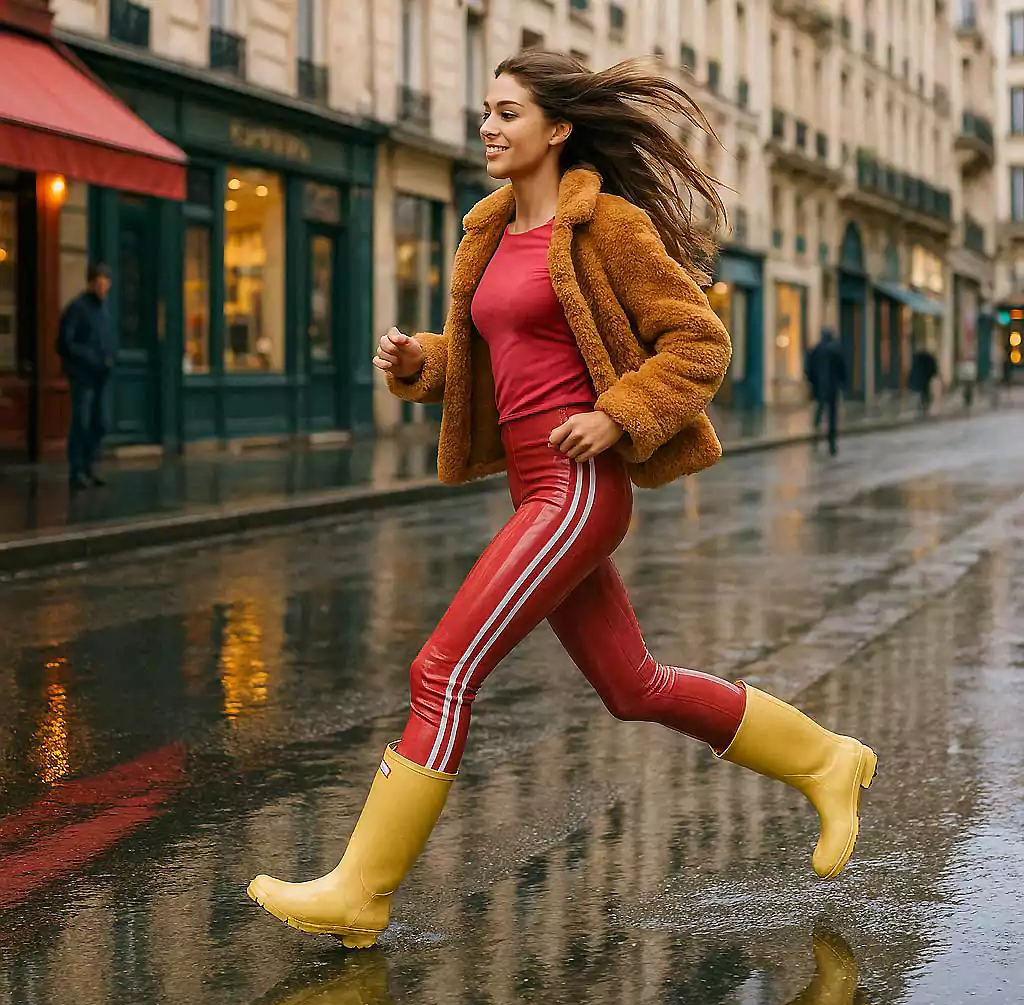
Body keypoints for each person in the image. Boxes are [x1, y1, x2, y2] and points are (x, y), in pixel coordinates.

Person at [247, 51, 877, 948]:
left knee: (441, 672)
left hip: (578, 491)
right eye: (486, 113)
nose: (489, 128)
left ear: (558, 128)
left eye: (508, 112)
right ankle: (826, 759)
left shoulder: (608, 226)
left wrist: (617, 417)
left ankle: (361, 892)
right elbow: (494, 355)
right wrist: (422, 361)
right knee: (633, 685)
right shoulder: (488, 230)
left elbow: (698, 344)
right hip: (533, 488)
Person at [57, 263, 114, 489]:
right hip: (82, 376)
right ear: (91, 283)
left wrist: (110, 358)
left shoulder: (104, 311)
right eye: (98, 282)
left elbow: (108, 340)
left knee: (100, 424)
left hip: (101, 376)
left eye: (105, 282)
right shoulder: (77, 308)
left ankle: (88, 468)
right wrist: (91, 358)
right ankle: (77, 471)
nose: (102, 286)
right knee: (81, 422)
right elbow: (64, 343)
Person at [804, 326, 846, 456]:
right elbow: (842, 369)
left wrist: (812, 382)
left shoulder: (816, 350)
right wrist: (843, 383)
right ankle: (831, 442)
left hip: (820, 387)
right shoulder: (836, 350)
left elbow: (808, 368)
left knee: (820, 410)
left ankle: (815, 434)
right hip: (832, 387)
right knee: (832, 415)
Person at [908, 346, 939, 414]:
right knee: (925, 391)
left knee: (922, 391)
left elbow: (913, 369)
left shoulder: (918, 358)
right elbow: (932, 366)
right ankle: (924, 403)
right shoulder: (926, 358)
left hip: (922, 377)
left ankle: (923, 404)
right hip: (925, 377)